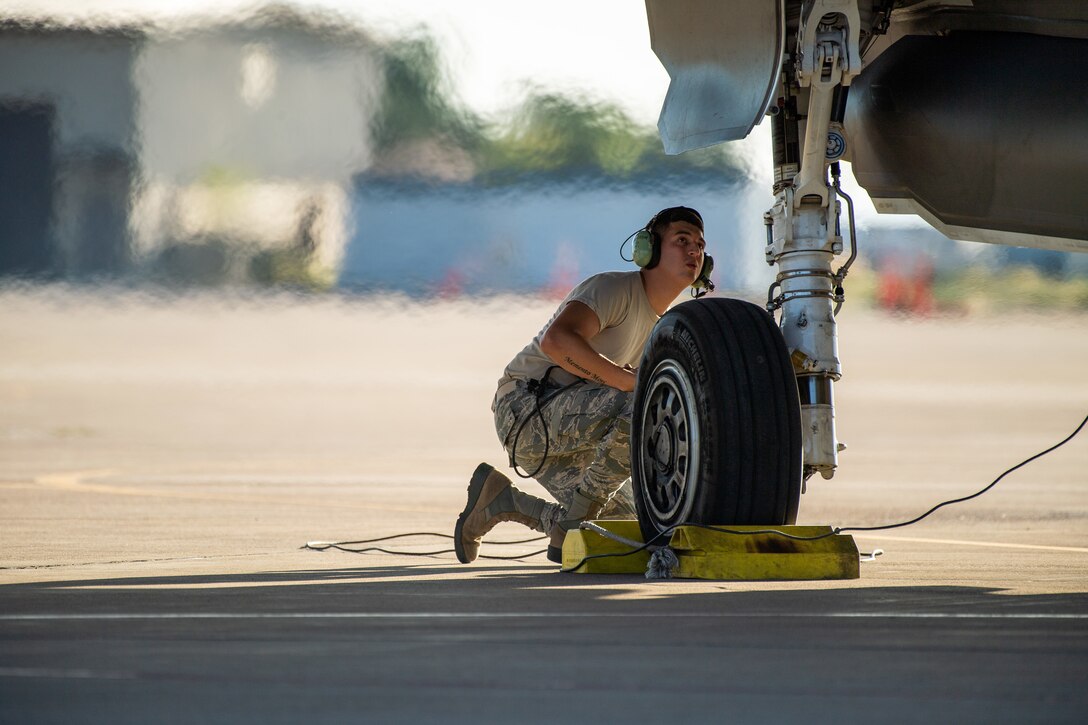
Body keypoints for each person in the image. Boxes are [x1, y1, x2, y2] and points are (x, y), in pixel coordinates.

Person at [454, 206, 712, 564]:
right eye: (681, 241)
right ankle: (576, 519)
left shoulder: (661, 325)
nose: (693, 252)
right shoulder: (613, 289)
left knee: (629, 529)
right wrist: (628, 381)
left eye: (699, 245)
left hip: (570, 430)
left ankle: (501, 501)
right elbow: (555, 342)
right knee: (644, 400)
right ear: (648, 250)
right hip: (524, 410)